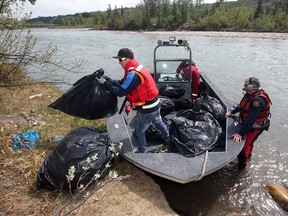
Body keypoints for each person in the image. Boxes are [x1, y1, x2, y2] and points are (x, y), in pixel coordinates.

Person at [96, 48, 170, 153]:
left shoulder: (133, 73)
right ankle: (168, 139)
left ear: (127, 59)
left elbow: (121, 92)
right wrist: (109, 80)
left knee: (140, 131)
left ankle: (142, 151)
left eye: (120, 60)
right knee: (158, 122)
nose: (119, 62)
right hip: (155, 104)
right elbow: (123, 83)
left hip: (147, 108)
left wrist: (104, 83)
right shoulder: (136, 68)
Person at [225, 77, 272, 169]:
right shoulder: (250, 95)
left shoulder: (257, 101)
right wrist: (232, 112)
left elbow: (251, 120)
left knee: (244, 147)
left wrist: (240, 134)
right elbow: (242, 106)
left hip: (255, 127)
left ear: (251, 87)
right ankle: (249, 155)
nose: (244, 87)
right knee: (250, 144)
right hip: (249, 124)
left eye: (245, 85)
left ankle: (242, 167)